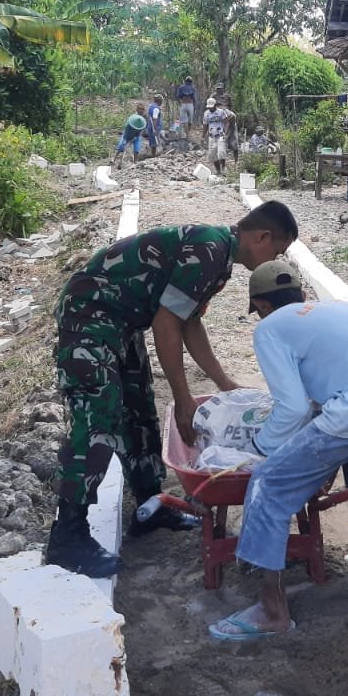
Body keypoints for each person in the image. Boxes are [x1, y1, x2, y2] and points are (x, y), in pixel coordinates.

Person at [47, 200, 301, 577]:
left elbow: (189, 323)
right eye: (276, 250)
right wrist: (183, 399)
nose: (273, 258)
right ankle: (67, 535)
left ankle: (150, 506)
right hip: (91, 317)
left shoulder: (219, 259)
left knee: (140, 411)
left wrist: (223, 382)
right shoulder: (210, 250)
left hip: (121, 323)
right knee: (98, 416)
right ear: (262, 236)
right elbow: (165, 325)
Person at [207, 259, 348, 641]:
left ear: (261, 306)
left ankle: (272, 612)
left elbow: (291, 407)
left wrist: (261, 449)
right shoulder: (342, 309)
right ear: (302, 294)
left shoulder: (270, 327)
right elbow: (322, 391)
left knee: (268, 487)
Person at [203, 95, 235, 177]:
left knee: (221, 152)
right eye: (209, 107)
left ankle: (223, 169)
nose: (210, 108)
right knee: (212, 155)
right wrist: (203, 136)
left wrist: (226, 133)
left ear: (215, 105)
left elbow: (226, 122)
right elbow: (205, 125)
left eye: (212, 107)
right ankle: (218, 171)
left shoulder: (221, 112)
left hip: (220, 135)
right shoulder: (206, 114)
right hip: (211, 136)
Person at [176, 75, 197, 142]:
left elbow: (178, 96)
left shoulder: (181, 87)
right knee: (189, 120)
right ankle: (187, 134)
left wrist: (180, 103)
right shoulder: (193, 88)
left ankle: (186, 134)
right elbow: (195, 98)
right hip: (190, 104)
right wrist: (195, 106)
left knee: (185, 121)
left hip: (184, 104)